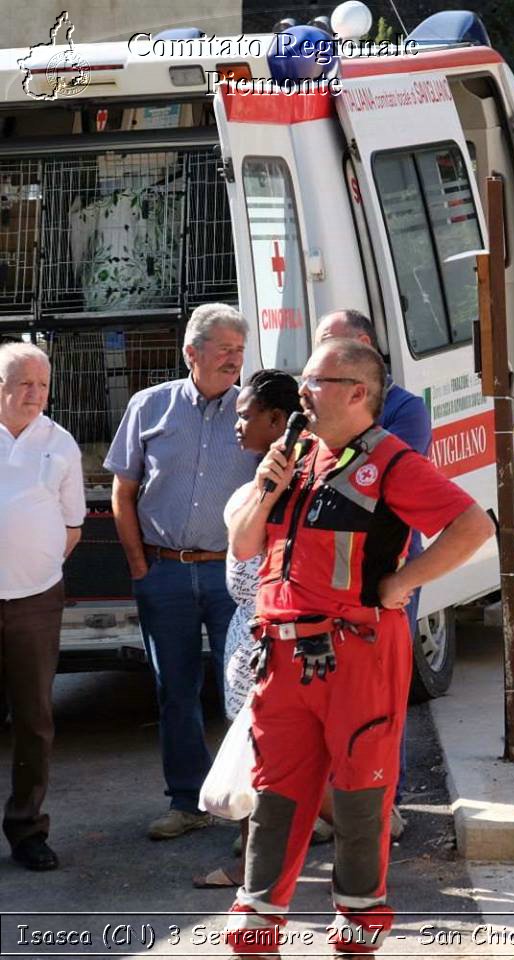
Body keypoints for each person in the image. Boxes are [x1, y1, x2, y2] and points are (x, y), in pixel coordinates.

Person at [225, 338, 493, 955]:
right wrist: (267, 486)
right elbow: (243, 544)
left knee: (359, 792)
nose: (302, 393)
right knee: (276, 789)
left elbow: (473, 526)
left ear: (357, 393)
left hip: (357, 652)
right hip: (283, 654)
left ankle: (359, 927)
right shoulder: (293, 453)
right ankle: (258, 923)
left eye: (315, 381)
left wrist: (402, 582)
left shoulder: (393, 462)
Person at [104, 303, 257, 840]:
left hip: (232, 578)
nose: (235, 361)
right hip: (164, 572)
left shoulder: (253, 412)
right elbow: (123, 491)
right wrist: (139, 565)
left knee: (243, 689)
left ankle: (250, 808)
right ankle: (187, 801)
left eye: (240, 351)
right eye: (224, 350)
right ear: (191, 352)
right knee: (175, 690)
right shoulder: (150, 406)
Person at [311, 309, 432, 844]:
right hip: (327, 581)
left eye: (325, 351)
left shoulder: (407, 411)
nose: (310, 379)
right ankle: (332, 800)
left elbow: (373, 482)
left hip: (387, 573)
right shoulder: (313, 419)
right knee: (330, 693)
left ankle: (387, 799)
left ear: (360, 346)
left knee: (382, 693)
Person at [192, 368, 302, 890]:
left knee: (260, 756)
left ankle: (252, 866)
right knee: (254, 751)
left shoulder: (291, 481)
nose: (238, 425)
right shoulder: (264, 476)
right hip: (245, 632)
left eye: (246, 416)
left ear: (277, 420)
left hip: (272, 635)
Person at [0, 342, 84, 871]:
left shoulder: (63, 444)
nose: (35, 395)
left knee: (34, 720)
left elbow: (72, 526)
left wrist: (34, 564)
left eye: (43, 385)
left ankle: (27, 829)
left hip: (35, 602)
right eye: (23, 383)